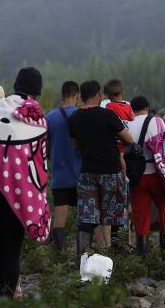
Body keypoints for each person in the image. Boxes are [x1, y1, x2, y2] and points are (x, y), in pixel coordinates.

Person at [0, 77, 51, 298]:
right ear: (36, 93)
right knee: (12, 247)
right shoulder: (34, 114)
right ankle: (7, 297)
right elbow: (39, 161)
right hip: (19, 193)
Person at [69, 80, 135, 259]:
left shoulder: (74, 118)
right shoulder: (108, 115)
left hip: (87, 173)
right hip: (111, 172)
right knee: (114, 217)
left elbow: (75, 145)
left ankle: (82, 260)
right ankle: (116, 259)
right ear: (98, 94)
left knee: (87, 219)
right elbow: (129, 139)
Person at [126, 96, 165, 254]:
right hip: (157, 175)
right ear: (147, 106)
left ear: (132, 109)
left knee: (141, 218)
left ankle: (142, 259)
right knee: (164, 214)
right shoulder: (157, 122)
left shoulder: (127, 124)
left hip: (136, 177)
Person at [44, 81, 82, 252]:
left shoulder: (49, 118)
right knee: (86, 218)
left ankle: (60, 254)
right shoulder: (82, 115)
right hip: (82, 175)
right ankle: (83, 255)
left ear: (61, 96)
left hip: (59, 176)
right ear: (78, 96)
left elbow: (45, 147)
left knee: (59, 218)